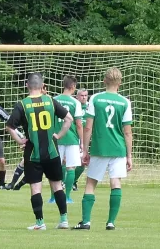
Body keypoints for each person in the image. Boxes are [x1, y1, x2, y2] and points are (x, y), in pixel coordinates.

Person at [6, 73, 73, 230]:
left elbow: (9, 126)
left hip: (33, 153)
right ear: (42, 85)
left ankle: (40, 223)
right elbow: (68, 118)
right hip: (52, 151)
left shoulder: (22, 104)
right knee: (57, 186)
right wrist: (59, 135)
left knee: (35, 187)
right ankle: (64, 220)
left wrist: (19, 140)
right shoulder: (50, 100)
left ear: (27, 85)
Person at [73, 67, 133, 231]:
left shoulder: (96, 99)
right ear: (120, 83)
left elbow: (88, 128)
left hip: (99, 147)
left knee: (91, 183)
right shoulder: (125, 102)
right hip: (119, 148)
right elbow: (127, 132)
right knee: (116, 183)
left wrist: (85, 150)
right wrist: (129, 155)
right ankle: (111, 222)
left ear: (104, 81)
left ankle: (86, 222)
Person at [48, 76, 84, 203]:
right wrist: (82, 142)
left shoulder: (53, 100)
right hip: (72, 138)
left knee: (55, 168)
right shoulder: (76, 103)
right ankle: (67, 197)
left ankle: (53, 197)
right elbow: (79, 124)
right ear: (73, 87)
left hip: (56, 138)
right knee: (71, 168)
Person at [72, 88, 89, 191]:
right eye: (82, 95)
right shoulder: (74, 105)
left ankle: (72, 181)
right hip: (74, 136)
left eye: (85, 95)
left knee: (83, 162)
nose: (84, 97)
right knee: (67, 162)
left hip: (84, 137)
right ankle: (63, 182)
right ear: (77, 96)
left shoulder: (90, 107)